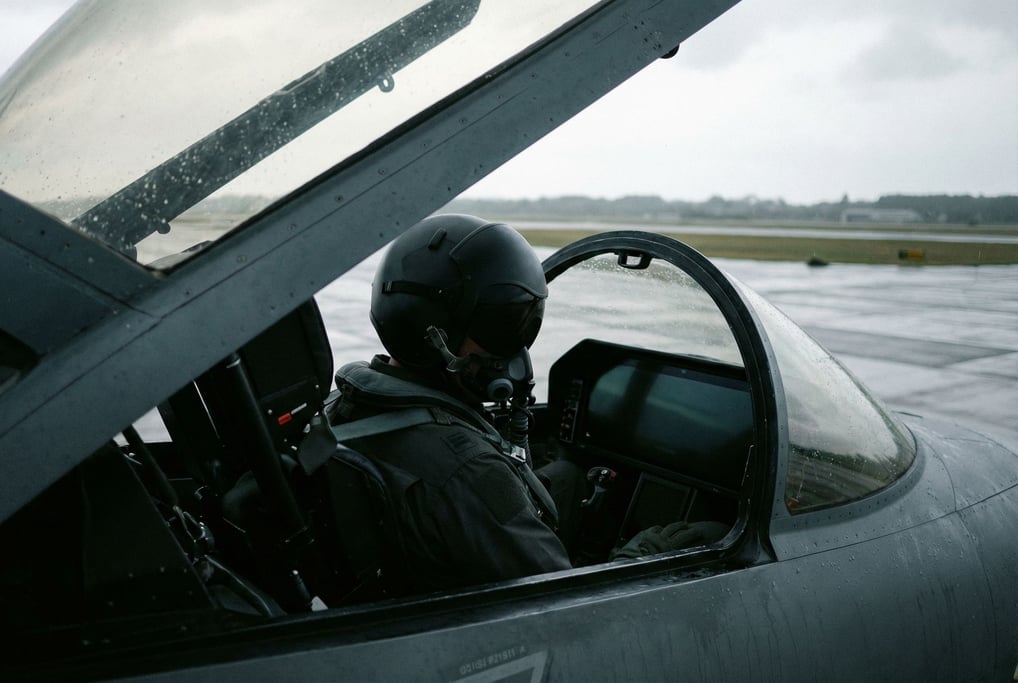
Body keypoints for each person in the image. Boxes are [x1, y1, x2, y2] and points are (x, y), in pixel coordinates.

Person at [327, 214, 573, 592]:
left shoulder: (340, 405)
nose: (515, 350)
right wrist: (647, 550)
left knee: (570, 477)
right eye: (504, 327)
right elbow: (563, 597)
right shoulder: (470, 470)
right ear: (434, 335)